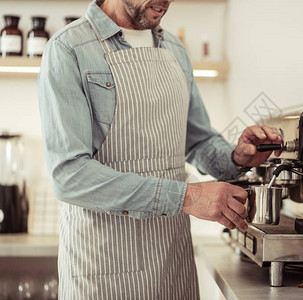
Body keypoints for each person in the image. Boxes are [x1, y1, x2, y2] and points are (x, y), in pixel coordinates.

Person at [38, 0, 282, 298]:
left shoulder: (174, 49)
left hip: (171, 263)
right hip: (104, 267)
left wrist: (237, 156)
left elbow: (197, 140)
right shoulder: (69, 48)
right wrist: (187, 197)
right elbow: (70, 176)